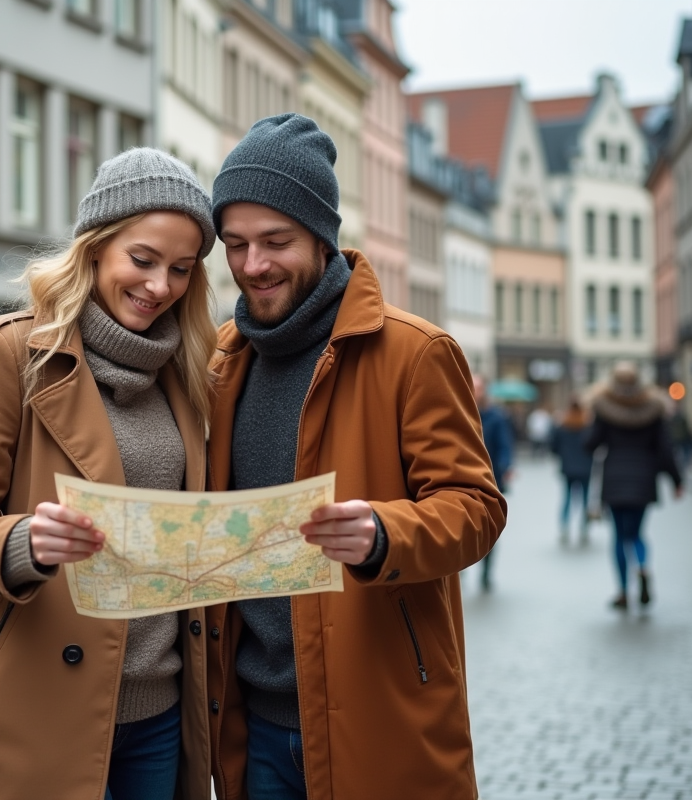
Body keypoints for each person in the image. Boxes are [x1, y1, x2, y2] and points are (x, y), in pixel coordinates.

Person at [205, 114, 507, 800]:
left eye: (276, 241)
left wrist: (383, 533)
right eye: (236, 244)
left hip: (378, 716)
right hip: (253, 732)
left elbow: (478, 509)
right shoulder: (221, 361)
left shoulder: (415, 352)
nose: (254, 265)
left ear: (322, 235)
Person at [0, 148, 217, 800]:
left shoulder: (190, 368)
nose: (159, 286)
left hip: (161, 709)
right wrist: (22, 543)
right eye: (141, 260)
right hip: (42, 702)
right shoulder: (6, 352)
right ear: (93, 249)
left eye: (180, 268)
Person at [585, 362, 683, 611]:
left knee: (619, 536)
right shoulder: (654, 408)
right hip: (644, 478)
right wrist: (676, 480)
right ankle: (642, 567)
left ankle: (622, 592)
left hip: (615, 478)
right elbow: (665, 450)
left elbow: (590, 443)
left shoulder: (604, 408)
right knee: (637, 533)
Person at [474, 374, 514, 590]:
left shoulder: (495, 417)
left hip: (490, 479)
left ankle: (486, 572)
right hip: (462, 479)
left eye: (477, 387)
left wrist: (506, 466)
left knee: (489, 526)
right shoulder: (458, 412)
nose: (473, 390)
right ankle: (459, 570)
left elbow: (504, 445)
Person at [551, 398, 594, 545]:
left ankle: (564, 527)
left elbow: (554, 447)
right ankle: (584, 528)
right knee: (585, 499)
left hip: (568, 468)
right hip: (586, 468)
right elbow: (593, 445)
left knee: (567, 498)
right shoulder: (587, 426)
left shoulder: (562, 426)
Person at [667, 401, 692, 467]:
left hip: (680, 438)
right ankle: (683, 463)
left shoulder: (677, 418)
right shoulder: (673, 418)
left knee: (681, 451)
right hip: (678, 438)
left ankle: (683, 463)